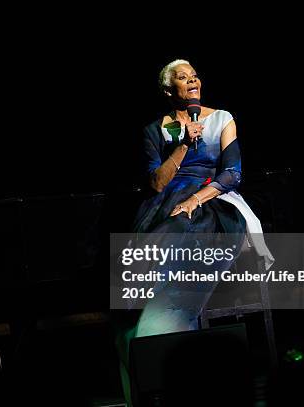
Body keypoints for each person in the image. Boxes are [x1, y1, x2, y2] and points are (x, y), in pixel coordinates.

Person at [113, 59, 274, 405]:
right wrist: (183, 144)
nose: (192, 82)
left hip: (211, 198)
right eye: (183, 79)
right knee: (149, 241)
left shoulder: (221, 118)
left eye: (195, 76)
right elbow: (156, 183)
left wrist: (195, 200)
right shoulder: (155, 129)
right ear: (170, 90)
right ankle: (142, 328)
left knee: (180, 229)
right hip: (166, 201)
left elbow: (232, 174)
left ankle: (164, 327)